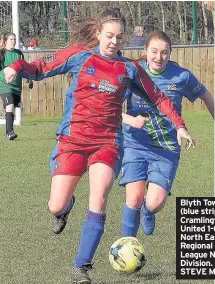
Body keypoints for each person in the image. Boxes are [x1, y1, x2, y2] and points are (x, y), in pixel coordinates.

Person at [3, 11, 193, 284]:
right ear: (98, 35)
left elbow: (159, 97)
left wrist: (179, 125)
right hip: (72, 140)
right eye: (109, 36)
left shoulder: (129, 69)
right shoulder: (80, 56)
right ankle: (65, 209)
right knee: (55, 205)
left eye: (119, 37)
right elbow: (41, 68)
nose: (114, 42)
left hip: (106, 143)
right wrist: (17, 66)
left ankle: (82, 267)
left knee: (100, 196)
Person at [120, 31, 214, 239]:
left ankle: (149, 210)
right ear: (145, 51)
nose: (158, 57)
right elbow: (114, 107)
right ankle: (126, 246)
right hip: (135, 143)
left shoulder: (181, 76)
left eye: (164, 52)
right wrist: (130, 120)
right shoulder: (132, 74)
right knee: (134, 198)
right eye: (154, 51)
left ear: (170, 53)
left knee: (153, 202)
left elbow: (206, 95)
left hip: (166, 148)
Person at [0, 32, 24, 140]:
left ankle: (8, 133)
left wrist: (29, 79)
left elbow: (23, 67)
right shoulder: (1, 53)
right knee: (9, 106)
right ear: (5, 41)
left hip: (17, 86)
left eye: (14, 39)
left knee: (12, 108)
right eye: (11, 39)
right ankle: (10, 132)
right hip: (5, 85)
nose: (13, 41)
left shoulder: (19, 53)